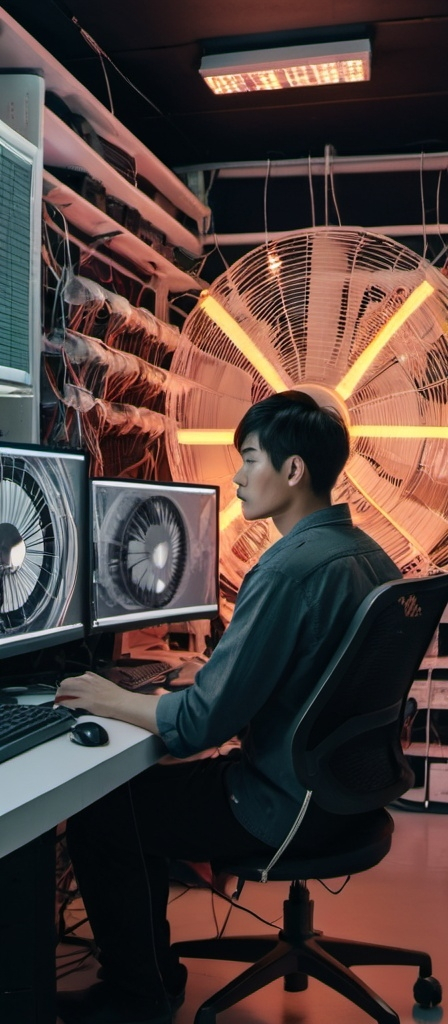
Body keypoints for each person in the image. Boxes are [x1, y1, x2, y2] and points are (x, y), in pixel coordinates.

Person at [56, 390, 401, 1024]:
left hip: (276, 804)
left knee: (102, 815)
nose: (238, 476)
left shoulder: (284, 572)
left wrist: (112, 695)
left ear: (293, 470)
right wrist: (212, 676)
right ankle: (147, 978)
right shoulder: (368, 556)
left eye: (248, 458)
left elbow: (194, 728)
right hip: (344, 795)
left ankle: (141, 995)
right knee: (143, 800)